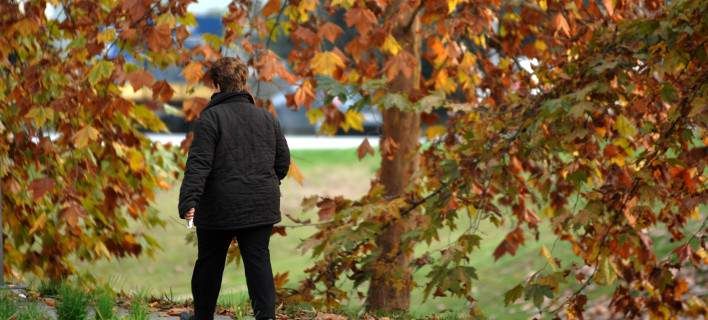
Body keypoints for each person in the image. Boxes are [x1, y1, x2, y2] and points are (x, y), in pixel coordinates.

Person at [177, 57, 290, 320]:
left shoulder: (211, 118)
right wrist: (265, 182)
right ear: (244, 82)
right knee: (258, 262)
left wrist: (189, 201)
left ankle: (202, 317)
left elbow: (199, 165)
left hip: (219, 206)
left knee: (209, 263)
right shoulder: (266, 118)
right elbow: (282, 162)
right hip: (260, 204)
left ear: (216, 84)